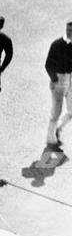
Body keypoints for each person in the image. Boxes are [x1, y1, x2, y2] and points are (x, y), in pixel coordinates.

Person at [44, 19, 72, 151]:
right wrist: (54, 79)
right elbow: (48, 64)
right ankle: (51, 140)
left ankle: (57, 129)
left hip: (70, 78)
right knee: (56, 111)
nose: (69, 32)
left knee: (71, 110)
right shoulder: (57, 44)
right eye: (68, 30)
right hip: (59, 79)